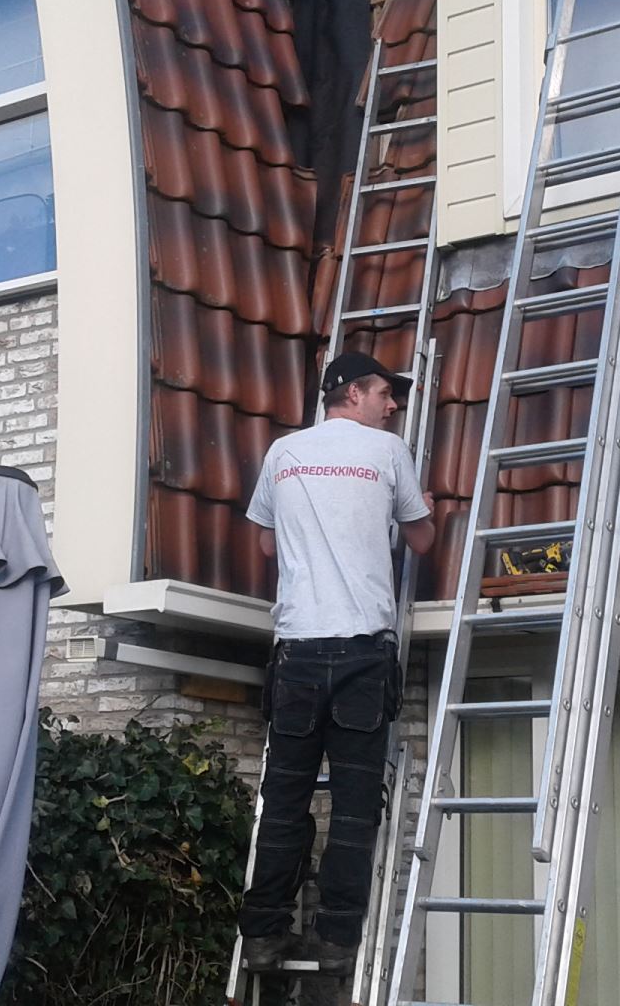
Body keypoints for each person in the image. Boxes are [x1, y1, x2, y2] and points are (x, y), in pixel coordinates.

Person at [238, 351, 436, 976]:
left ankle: (266, 936)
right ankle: (335, 941)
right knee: (353, 808)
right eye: (385, 392)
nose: (393, 404)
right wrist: (428, 507)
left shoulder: (282, 453)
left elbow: (267, 541)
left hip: (296, 653)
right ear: (352, 393)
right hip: (360, 656)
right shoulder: (388, 453)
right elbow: (422, 540)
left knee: (285, 802)